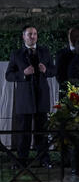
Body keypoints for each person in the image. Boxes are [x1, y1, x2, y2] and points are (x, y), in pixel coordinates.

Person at [4, 25, 56, 167]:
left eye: (34, 34)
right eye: (29, 34)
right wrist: (23, 74)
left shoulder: (45, 51)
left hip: (42, 96)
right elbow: (8, 75)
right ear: (23, 36)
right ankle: (21, 161)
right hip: (25, 98)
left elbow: (53, 70)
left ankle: (44, 160)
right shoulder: (16, 54)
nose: (32, 36)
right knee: (23, 132)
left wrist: (46, 70)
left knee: (42, 131)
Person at [55, 26, 79, 96]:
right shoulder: (60, 54)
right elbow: (59, 77)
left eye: (76, 36)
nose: (73, 39)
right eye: (71, 36)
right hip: (67, 94)